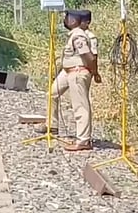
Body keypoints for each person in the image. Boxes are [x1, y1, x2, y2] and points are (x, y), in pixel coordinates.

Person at [33, 9, 99, 151]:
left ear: (75, 21)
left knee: (80, 106)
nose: (66, 20)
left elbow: (91, 57)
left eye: (68, 18)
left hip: (77, 71)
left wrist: (94, 72)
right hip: (69, 70)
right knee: (52, 93)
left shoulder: (79, 36)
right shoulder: (75, 34)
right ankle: (52, 125)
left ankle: (83, 140)